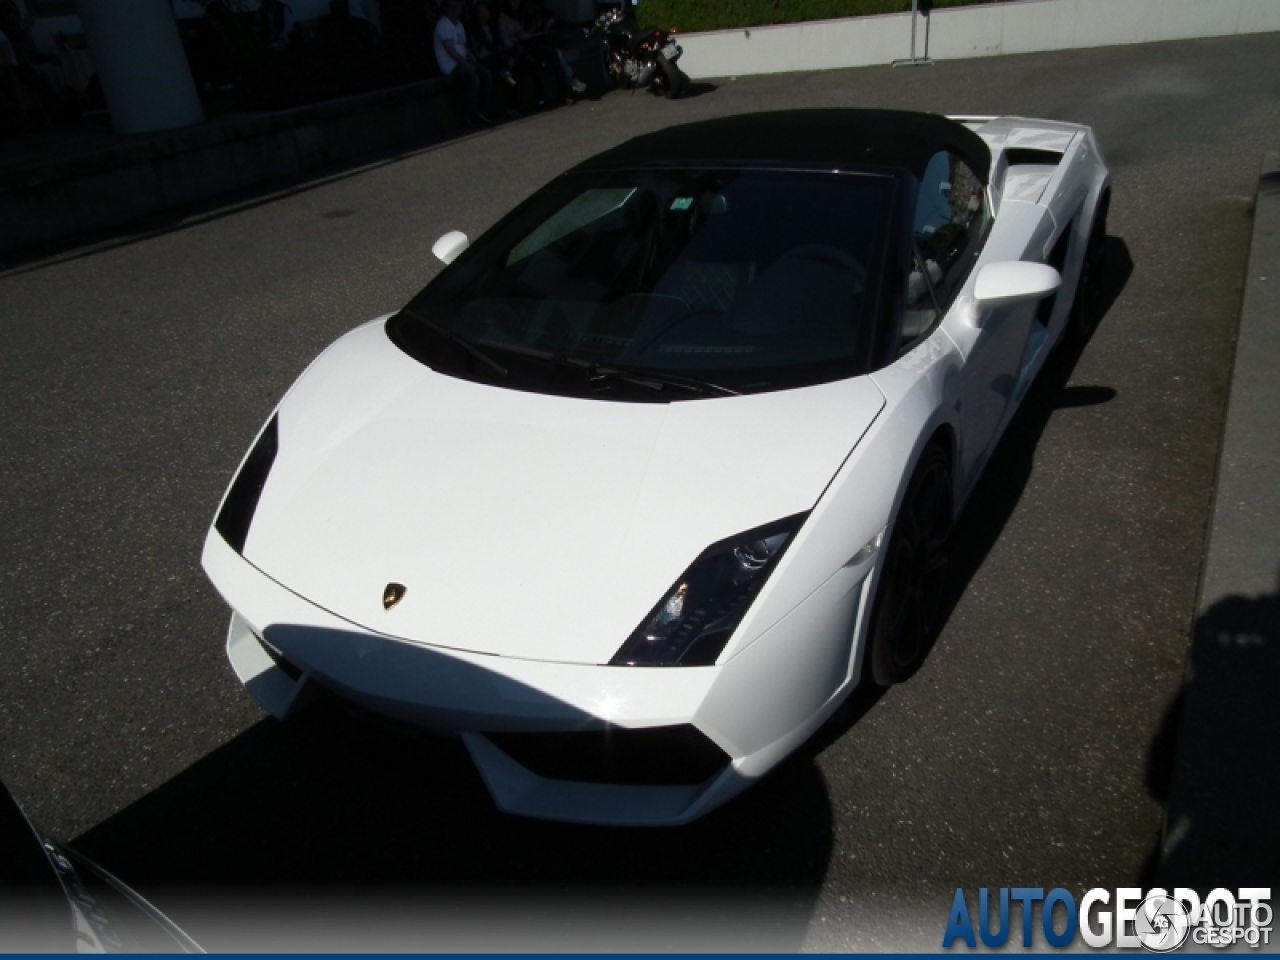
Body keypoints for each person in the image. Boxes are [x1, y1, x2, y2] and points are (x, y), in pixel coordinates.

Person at [434, 0, 492, 124]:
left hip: (462, 61)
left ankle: (483, 111)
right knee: (472, 78)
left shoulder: (459, 25)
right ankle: (470, 114)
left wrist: (472, 58)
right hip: (450, 65)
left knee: (485, 73)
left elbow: (463, 47)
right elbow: (449, 49)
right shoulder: (443, 24)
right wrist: (465, 64)